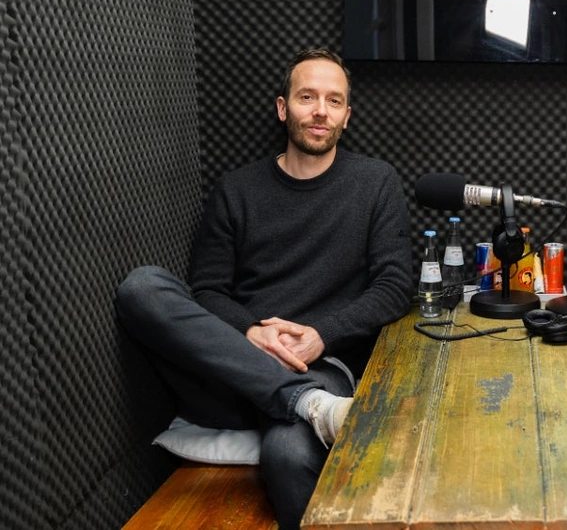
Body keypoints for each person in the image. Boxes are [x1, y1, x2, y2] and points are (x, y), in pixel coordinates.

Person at [115, 48, 414, 529]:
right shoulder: (236, 189)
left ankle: (302, 400)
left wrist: (321, 333)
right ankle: (305, 404)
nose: (320, 110)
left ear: (346, 116)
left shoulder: (375, 182)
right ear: (282, 107)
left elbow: (397, 285)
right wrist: (252, 333)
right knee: (141, 287)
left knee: (286, 453)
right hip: (231, 375)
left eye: (333, 101)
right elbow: (208, 291)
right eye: (307, 97)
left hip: (320, 367)